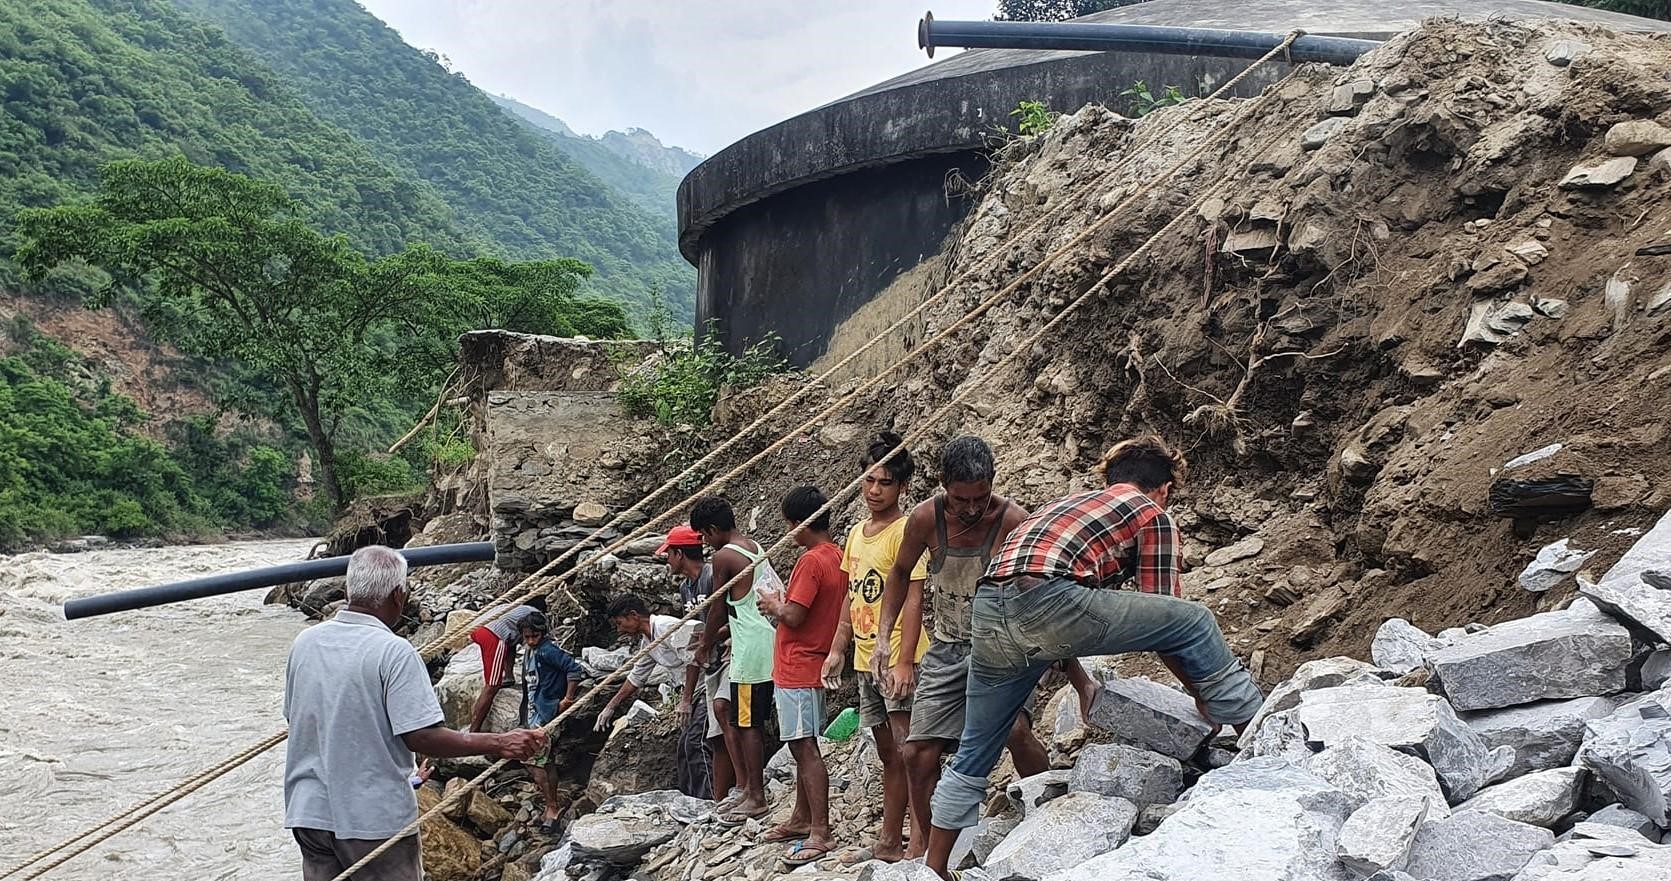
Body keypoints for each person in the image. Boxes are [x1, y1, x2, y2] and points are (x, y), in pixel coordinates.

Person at [923, 436, 1266, 879]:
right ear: (1162, 488)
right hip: (1047, 600)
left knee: (975, 749)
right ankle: (1259, 737)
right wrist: (1201, 696)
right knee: (1196, 619)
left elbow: (1053, 607)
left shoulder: (1068, 505)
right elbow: (1169, 620)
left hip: (988, 607)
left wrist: (1083, 683)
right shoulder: (1151, 511)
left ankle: (932, 870)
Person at [873, 436, 1096, 857]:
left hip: (1003, 647)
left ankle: (1045, 818)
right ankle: (931, 850)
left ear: (993, 482)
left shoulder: (1013, 521)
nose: (972, 509)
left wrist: (1078, 678)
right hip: (948, 646)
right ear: (943, 485)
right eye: (961, 499)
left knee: (1013, 730)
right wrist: (886, 637)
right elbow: (901, 573)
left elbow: (1046, 598)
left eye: (981, 497)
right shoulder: (925, 520)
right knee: (918, 753)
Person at [284, 546, 543, 881]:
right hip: (370, 819)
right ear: (399, 595)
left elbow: (298, 718)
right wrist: (500, 742)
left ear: (347, 591)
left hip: (309, 813)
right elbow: (422, 737)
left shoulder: (304, 643)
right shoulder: (393, 650)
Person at [820, 432, 928, 863]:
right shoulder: (857, 534)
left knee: (912, 752)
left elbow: (916, 594)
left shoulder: (907, 532)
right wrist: (836, 648)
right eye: (868, 480)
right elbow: (851, 594)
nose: (873, 490)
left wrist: (904, 661)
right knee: (888, 752)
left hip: (901, 653)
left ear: (902, 486)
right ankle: (888, 841)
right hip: (866, 657)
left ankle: (920, 843)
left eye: (884, 482)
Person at [756, 487, 847, 865]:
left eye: (790, 525)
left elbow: (794, 615)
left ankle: (820, 831)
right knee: (799, 744)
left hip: (800, 664)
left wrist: (773, 604)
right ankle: (800, 817)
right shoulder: (839, 555)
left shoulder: (811, 562)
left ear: (799, 524)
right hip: (812, 661)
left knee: (805, 747)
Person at [690, 496, 782, 824]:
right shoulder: (751, 546)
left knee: (747, 724)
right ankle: (748, 790)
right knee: (746, 720)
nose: (704, 542)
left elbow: (716, 608)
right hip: (764, 642)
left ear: (714, 529)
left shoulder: (725, 557)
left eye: (703, 535)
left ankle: (755, 795)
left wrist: (705, 644)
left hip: (750, 652)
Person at [595, 592, 710, 798]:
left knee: (696, 743)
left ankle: (707, 799)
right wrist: (610, 706)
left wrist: (685, 701)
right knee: (683, 749)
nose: (620, 630)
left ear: (633, 615)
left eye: (621, 623)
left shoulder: (666, 627)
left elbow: (694, 659)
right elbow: (636, 676)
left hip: (706, 687)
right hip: (691, 692)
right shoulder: (648, 641)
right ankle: (687, 799)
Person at [662, 525, 736, 803]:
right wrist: (685, 698)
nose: (667, 560)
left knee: (703, 737)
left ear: (679, 553)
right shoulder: (685, 589)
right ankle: (705, 799)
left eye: (668, 554)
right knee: (694, 741)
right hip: (708, 668)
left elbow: (733, 620)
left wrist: (709, 639)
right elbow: (691, 642)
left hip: (728, 659)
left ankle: (713, 798)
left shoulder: (710, 576)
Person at [519, 611, 584, 835]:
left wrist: (567, 699)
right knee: (544, 762)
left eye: (534, 636)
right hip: (535, 714)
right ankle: (551, 805)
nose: (530, 640)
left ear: (542, 633)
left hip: (546, 715)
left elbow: (574, 669)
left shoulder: (547, 650)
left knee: (532, 760)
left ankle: (552, 807)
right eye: (527, 637)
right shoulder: (531, 652)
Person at [466, 597, 546, 732]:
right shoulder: (535, 614)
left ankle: (508, 676)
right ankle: (474, 731)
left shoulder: (513, 608)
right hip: (493, 635)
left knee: (511, 641)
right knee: (492, 686)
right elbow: (541, 641)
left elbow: (514, 641)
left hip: (478, 629)